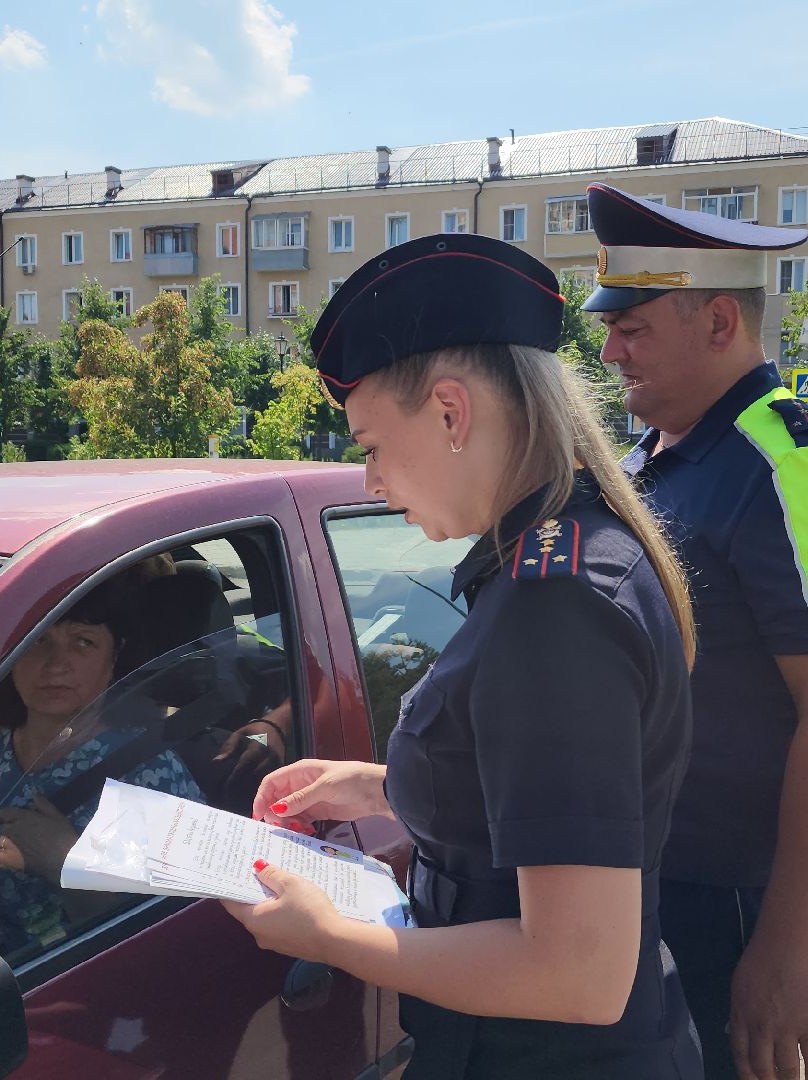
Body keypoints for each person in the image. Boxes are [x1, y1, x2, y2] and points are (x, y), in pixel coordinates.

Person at [221, 233, 703, 1078]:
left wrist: (332, 937)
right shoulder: (559, 555)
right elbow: (528, 804)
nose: (370, 483)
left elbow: (579, 973)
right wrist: (376, 785)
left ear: (450, 412)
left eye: (369, 446)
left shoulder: (556, 609)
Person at [581, 183, 808, 1080]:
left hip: (723, 911)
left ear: (720, 320)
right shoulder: (658, 457)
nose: (609, 350)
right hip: (637, 889)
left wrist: (789, 951)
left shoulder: (800, 470)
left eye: (633, 328)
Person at [0, 576, 206, 957]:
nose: (56, 665)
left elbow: (175, 943)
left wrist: (64, 863)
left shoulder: (154, 776)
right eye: (38, 641)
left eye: (83, 642)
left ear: (114, 654)